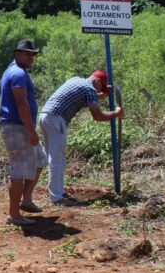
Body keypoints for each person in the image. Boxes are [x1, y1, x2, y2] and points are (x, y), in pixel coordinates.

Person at [40, 71, 124, 205]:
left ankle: (57, 192)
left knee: (53, 157)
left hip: (45, 116)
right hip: (56, 119)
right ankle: (57, 197)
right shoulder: (90, 88)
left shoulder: (76, 80)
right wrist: (116, 113)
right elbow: (97, 116)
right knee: (57, 158)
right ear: (97, 81)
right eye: (100, 87)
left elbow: (88, 99)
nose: (99, 90)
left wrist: (104, 94)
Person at [0, 40, 48, 226]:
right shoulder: (17, 74)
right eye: (27, 54)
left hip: (19, 126)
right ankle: (14, 214)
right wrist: (31, 130)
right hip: (17, 127)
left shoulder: (17, 71)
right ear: (17, 53)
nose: (31, 57)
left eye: (33, 54)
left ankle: (25, 200)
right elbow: (21, 104)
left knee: (41, 160)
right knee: (19, 170)